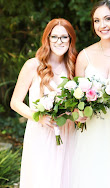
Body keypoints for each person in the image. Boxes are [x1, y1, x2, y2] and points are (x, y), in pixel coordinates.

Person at [71, 0, 110, 188]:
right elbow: (74, 101)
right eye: (97, 20)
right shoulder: (84, 56)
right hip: (92, 129)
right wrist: (77, 114)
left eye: (107, 19)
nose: (102, 25)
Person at [10, 18, 77, 188]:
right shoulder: (33, 66)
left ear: (70, 40)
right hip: (40, 132)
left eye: (64, 37)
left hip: (67, 133)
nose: (59, 41)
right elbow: (15, 102)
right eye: (54, 37)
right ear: (47, 39)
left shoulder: (73, 67)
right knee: (41, 179)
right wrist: (37, 117)